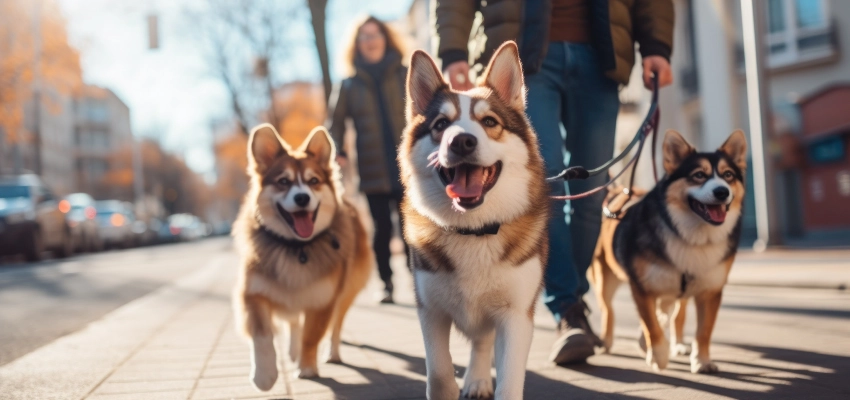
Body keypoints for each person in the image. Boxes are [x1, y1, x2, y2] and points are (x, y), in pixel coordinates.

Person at [434, 0, 674, 364]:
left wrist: (656, 46)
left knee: (590, 193)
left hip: (602, 55)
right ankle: (568, 311)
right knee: (543, 186)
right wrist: (453, 49)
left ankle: (571, 295)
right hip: (522, 55)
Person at [327, 16, 409, 304]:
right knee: (381, 229)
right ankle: (386, 283)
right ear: (357, 44)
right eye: (364, 36)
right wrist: (337, 149)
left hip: (406, 165)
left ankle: (418, 277)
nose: (371, 41)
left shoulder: (405, 73)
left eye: (375, 35)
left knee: (411, 224)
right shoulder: (349, 85)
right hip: (372, 169)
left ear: (386, 39)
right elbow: (334, 123)